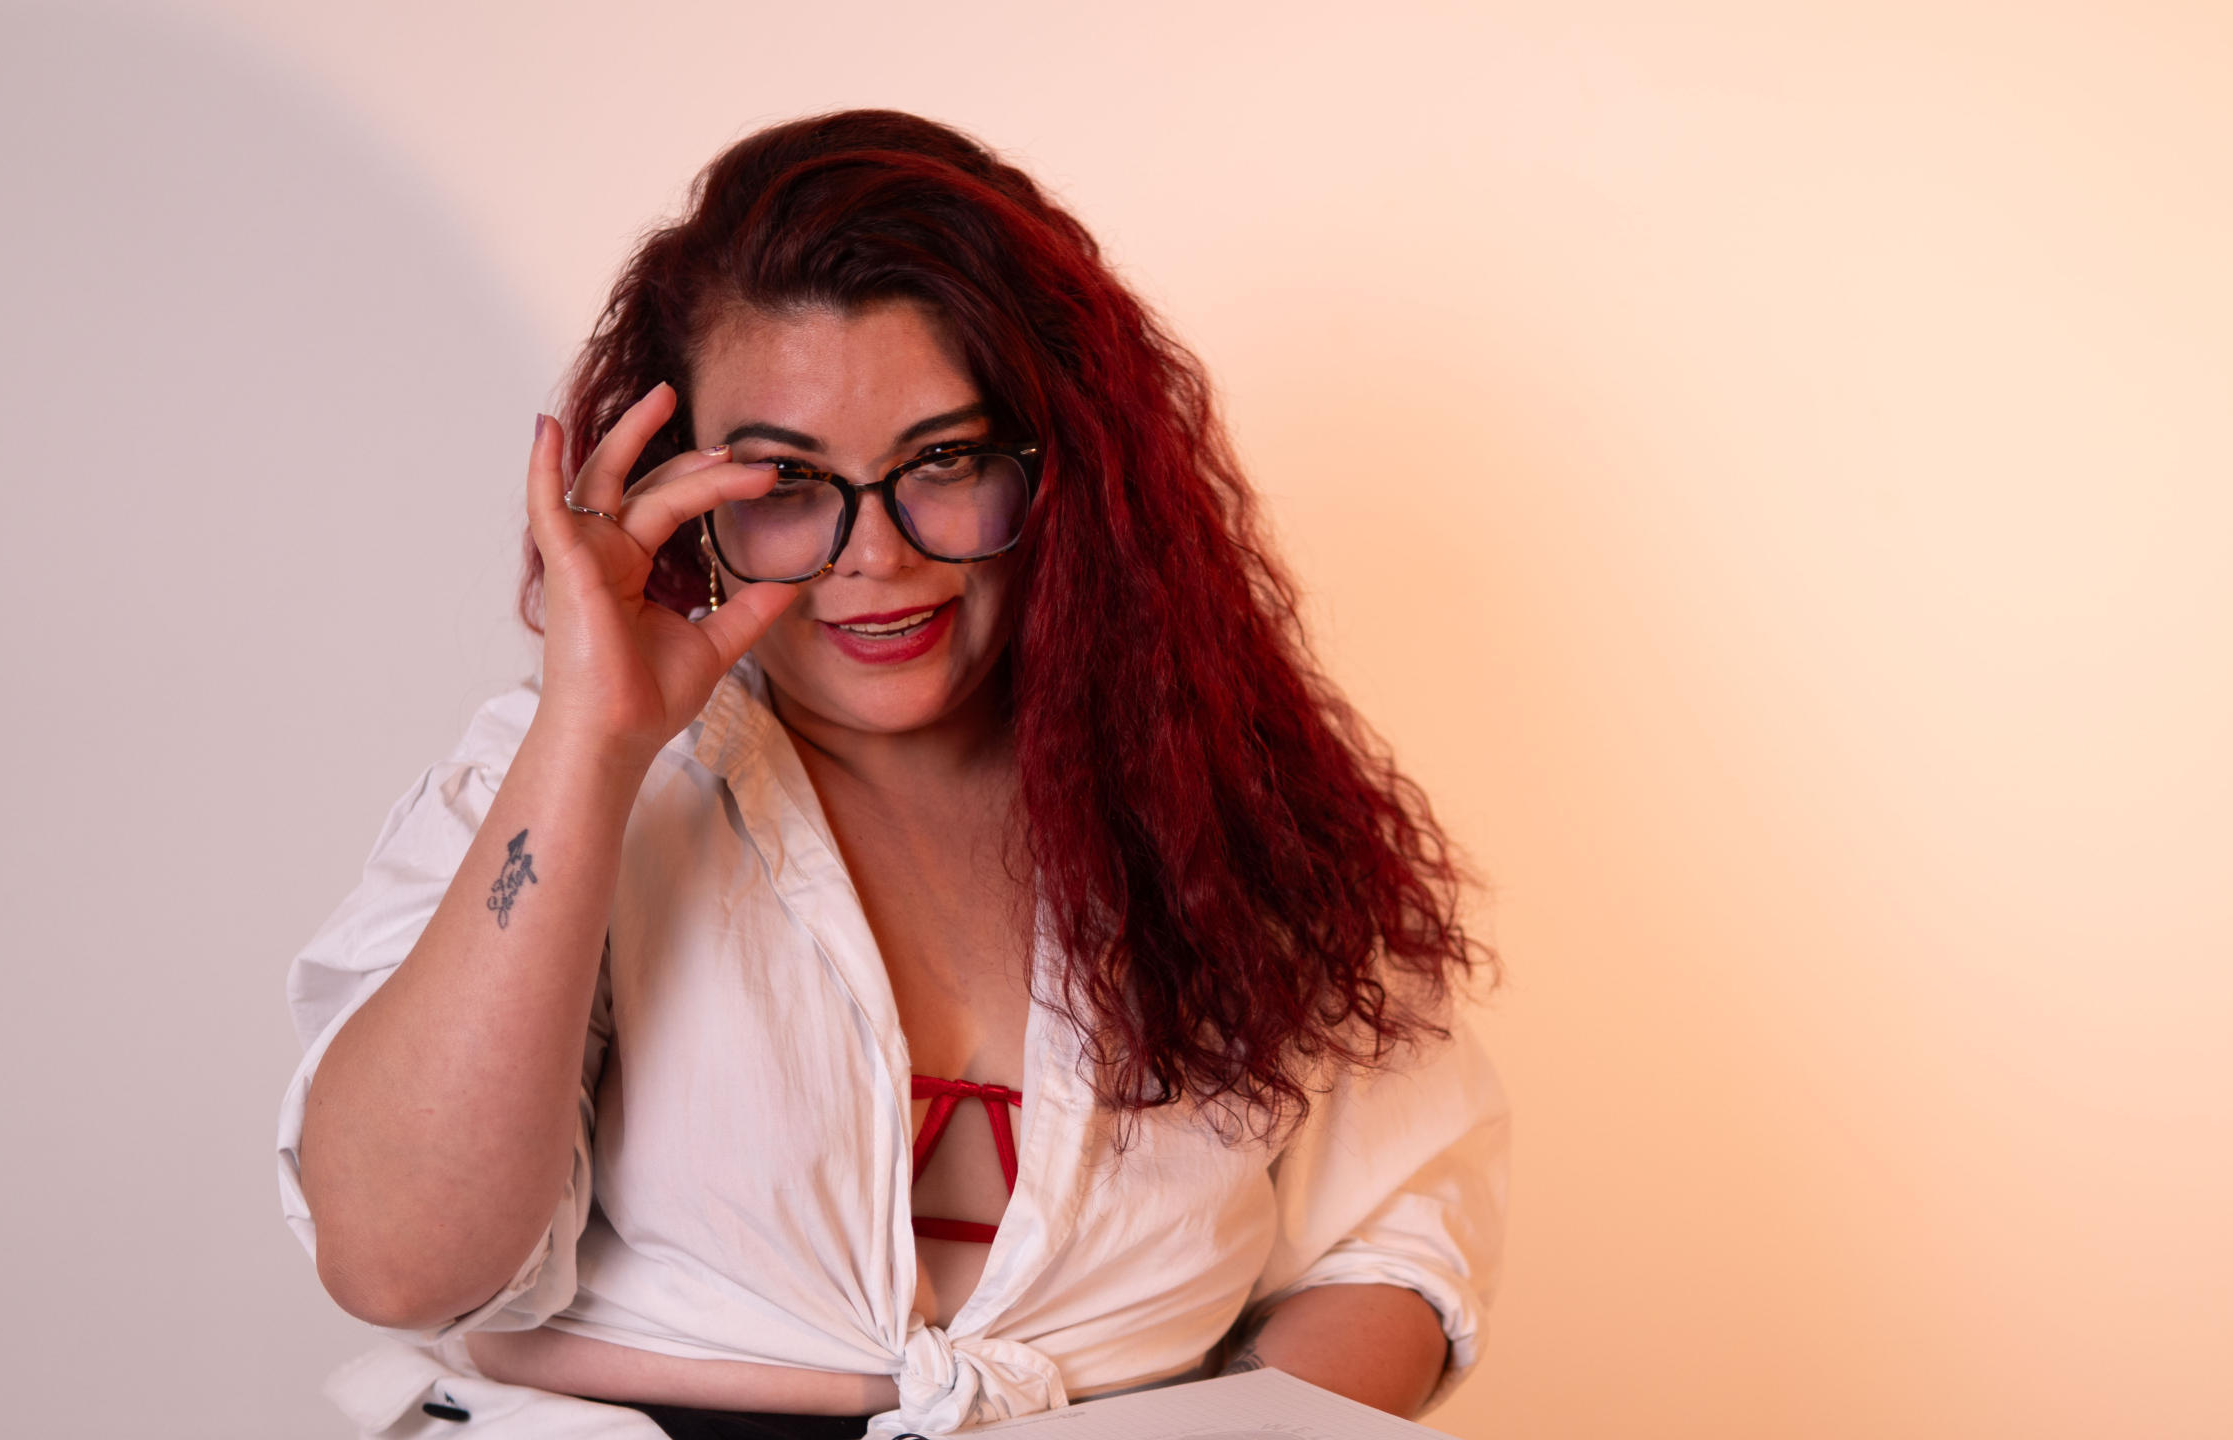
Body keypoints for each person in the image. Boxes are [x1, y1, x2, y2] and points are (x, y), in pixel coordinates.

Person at [276, 110, 1509, 1440]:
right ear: (689, 499)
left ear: (1067, 465)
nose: (875, 555)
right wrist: (592, 743)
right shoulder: (567, 776)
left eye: (944, 462)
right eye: (786, 481)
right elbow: (398, 1262)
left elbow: (1388, 1237)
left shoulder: (1221, 796)